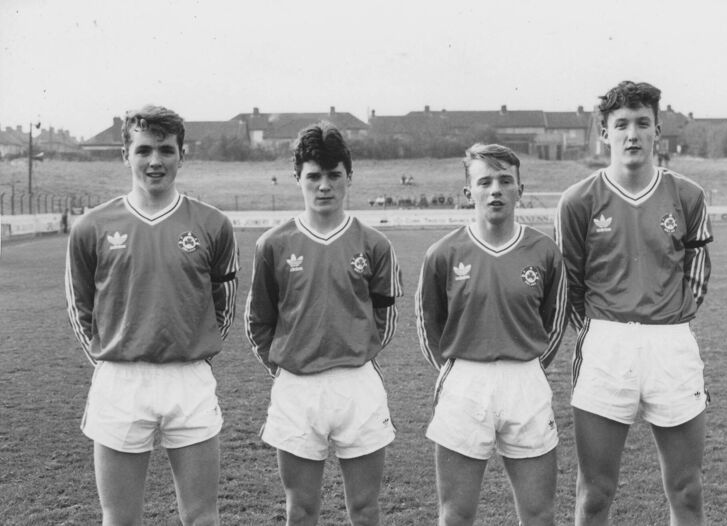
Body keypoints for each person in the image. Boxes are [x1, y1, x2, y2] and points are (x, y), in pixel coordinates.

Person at [65, 105, 240, 525]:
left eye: (166, 150)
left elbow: (224, 301)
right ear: (124, 155)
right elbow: (80, 305)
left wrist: (197, 348)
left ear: (183, 154)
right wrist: (109, 356)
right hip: (121, 380)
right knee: (120, 518)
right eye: (143, 150)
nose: (155, 161)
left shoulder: (213, 224)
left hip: (189, 378)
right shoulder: (92, 226)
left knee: (202, 517)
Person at [555, 81, 713, 525]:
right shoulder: (577, 201)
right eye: (621, 124)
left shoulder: (688, 195)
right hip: (606, 345)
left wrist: (671, 316)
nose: (632, 134)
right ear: (605, 132)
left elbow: (697, 271)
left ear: (657, 130)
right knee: (595, 494)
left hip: (671, 344)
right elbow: (570, 284)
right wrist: (602, 327)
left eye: (643, 123)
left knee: (687, 490)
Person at [245, 121, 403, 525]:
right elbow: (259, 320)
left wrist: (357, 350)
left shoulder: (375, 244)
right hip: (297, 387)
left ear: (349, 176)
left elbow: (385, 317)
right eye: (314, 176)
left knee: (365, 509)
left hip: (358, 385)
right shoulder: (273, 244)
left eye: (334, 175)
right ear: (297, 178)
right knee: (300, 509)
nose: (324, 186)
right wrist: (284, 365)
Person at [416, 143, 569, 526]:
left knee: (539, 516)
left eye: (505, 181)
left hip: (526, 381)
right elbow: (429, 322)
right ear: (468, 192)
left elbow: (555, 319)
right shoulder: (443, 254)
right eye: (484, 182)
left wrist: (529, 365)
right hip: (465, 383)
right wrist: (455, 370)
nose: (495, 190)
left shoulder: (544, 251)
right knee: (456, 515)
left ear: (520, 189)